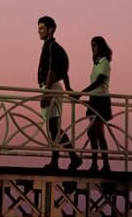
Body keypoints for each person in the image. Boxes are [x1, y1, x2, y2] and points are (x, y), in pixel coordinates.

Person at [37, 16, 83, 171]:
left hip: (51, 88)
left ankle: (63, 160)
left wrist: (46, 93)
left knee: (53, 126)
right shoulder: (53, 47)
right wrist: (68, 88)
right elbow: (64, 70)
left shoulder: (51, 47)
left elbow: (52, 71)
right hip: (53, 87)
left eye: (42, 28)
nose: (39, 32)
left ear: (50, 29)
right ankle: (69, 158)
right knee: (54, 127)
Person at [77, 36, 113, 173]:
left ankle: (103, 164)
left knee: (96, 132)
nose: (93, 48)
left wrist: (82, 93)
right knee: (94, 134)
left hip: (101, 100)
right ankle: (97, 164)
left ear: (101, 46)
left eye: (95, 45)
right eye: (91, 45)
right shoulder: (96, 63)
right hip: (94, 99)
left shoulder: (105, 63)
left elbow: (98, 82)